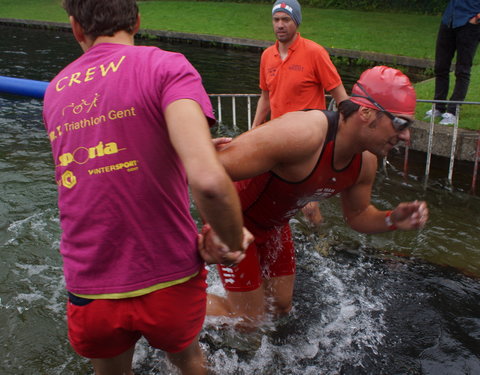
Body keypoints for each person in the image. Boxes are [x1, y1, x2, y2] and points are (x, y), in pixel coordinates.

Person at [42, 1, 250, 374]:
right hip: (169, 276)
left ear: (75, 28)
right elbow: (208, 181)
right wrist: (231, 242)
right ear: (137, 21)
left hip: (91, 286)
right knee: (190, 363)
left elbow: (104, 164)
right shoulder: (166, 66)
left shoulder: (55, 90)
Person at [203, 66, 429, 330]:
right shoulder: (302, 134)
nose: (406, 136)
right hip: (235, 224)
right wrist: (220, 228)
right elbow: (208, 172)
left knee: (280, 307)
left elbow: (358, 216)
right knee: (249, 321)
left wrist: (392, 219)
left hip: (275, 226)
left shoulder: (365, 161)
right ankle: (176, 301)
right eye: (400, 123)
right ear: (367, 113)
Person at [251, 0, 349, 225]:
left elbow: (340, 96)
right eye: (276, 20)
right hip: (278, 137)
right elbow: (265, 97)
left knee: (308, 205)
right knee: (271, 194)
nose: (280, 25)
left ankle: (322, 243)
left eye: (286, 19)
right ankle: (282, 239)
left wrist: (346, 138)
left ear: (296, 22)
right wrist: (254, 130)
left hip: (310, 140)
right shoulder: (267, 55)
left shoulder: (314, 53)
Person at [425, 0, 480, 125]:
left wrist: (477, 18)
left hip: (470, 24)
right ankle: (438, 106)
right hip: (449, 20)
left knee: (462, 70)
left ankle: (453, 111)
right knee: (440, 66)